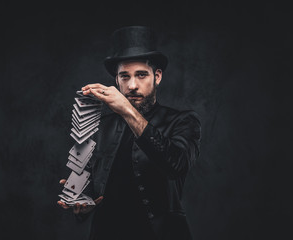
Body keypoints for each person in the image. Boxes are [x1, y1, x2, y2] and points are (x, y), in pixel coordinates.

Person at [57, 26, 201, 240]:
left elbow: (176, 166)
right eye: (125, 76)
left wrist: (127, 110)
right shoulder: (99, 126)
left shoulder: (183, 121)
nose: (132, 85)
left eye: (141, 75)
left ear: (157, 76)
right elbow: (88, 183)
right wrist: (82, 202)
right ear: (117, 80)